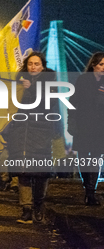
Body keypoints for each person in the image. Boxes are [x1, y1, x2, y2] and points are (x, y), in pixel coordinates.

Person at [7, 52, 57, 224]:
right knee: (23, 173)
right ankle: (26, 209)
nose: (33, 67)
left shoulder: (50, 82)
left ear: (43, 66)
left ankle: (39, 204)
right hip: (21, 132)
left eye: (36, 64)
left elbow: (49, 104)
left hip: (41, 132)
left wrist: (32, 89)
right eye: (30, 64)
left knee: (41, 173)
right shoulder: (18, 82)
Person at [68, 52, 104, 206]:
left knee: (96, 158)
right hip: (83, 126)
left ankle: (91, 191)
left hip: (99, 127)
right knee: (83, 157)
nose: (103, 67)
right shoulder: (83, 80)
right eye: (101, 64)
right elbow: (73, 102)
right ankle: (87, 187)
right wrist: (72, 121)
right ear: (93, 65)